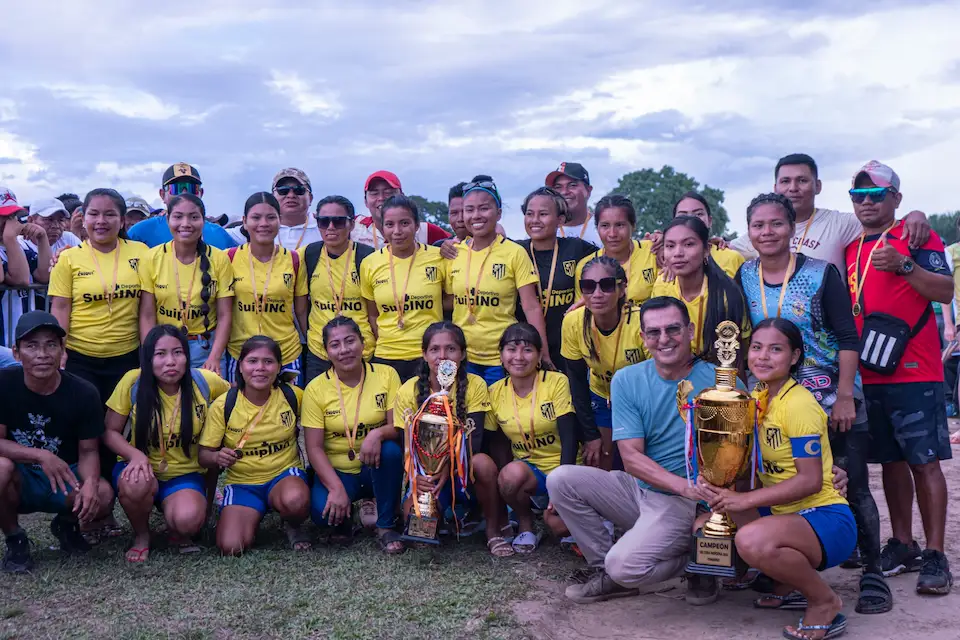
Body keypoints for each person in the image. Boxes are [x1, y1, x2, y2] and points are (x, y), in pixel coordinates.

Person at [737, 192, 891, 614]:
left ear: (792, 229)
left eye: (776, 224)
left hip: (827, 396)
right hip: (773, 396)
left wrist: (845, 395)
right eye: (758, 225)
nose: (767, 232)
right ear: (748, 231)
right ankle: (790, 575)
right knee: (781, 482)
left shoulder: (821, 273)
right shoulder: (745, 274)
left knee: (851, 484)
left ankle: (873, 573)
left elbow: (846, 336)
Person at [551, 296, 742, 604]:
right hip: (642, 489)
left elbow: (740, 457)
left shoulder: (722, 383)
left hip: (682, 503)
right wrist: (683, 485)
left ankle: (701, 563)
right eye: (653, 332)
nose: (664, 339)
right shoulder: (627, 379)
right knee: (560, 479)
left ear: (691, 330)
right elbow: (632, 458)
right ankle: (610, 575)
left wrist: (700, 499)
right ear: (642, 338)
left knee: (624, 565)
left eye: (673, 329)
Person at [696, 318, 855, 640]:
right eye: (756, 347)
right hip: (784, 513)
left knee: (750, 540)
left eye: (776, 349)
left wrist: (744, 500)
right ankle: (786, 582)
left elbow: (810, 481)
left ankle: (824, 601)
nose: (763, 357)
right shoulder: (758, 396)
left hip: (825, 516)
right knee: (703, 527)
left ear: (795, 356)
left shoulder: (799, 405)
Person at [845, 161, 954, 595]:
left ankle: (936, 554)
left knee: (923, 461)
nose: (867, 202)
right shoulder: (852, 249)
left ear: (897, 199)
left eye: (876, 195)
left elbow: (945, 291)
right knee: (889, 462)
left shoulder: (917, 235)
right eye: (859, 196)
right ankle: (903, 543)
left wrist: (906, 266)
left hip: (914, 370)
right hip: (869, 374)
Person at [103, 325, 230, 562]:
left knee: (188, 521)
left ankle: (177, 527)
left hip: (185, 473)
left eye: (177, 353)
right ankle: (142, 535)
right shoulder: (133, 382)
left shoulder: (203, 381)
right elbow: (110, 432)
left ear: (187, 356)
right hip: (141, 469)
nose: (170, 362)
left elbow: (237, 399)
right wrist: (135, 455)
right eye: (160, 354)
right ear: (148, 358)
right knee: (136, 483)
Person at [0, 312, 113, 573]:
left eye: (51, 344)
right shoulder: (4, 384)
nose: (42, 354)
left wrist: (91, 485)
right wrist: (40, 455)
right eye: (32, 346)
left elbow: (88, 451)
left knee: (104, 494)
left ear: (63, 351)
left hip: (65, 475)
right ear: (16, 353)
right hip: (21, 475)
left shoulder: (83, 392)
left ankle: (66, 524)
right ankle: (15, 538)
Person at [393, 322, 511, 556]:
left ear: (463, 353)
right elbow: (405, 444)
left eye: (451, 349)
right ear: (424, 354)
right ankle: (436, 519)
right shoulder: (409, 390)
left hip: (464, 470)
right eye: (435, 349)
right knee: (418, 528)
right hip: (427, 472)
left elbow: (474, 439)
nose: (442, 356)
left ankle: (493, 530)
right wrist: (420, 476)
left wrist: (447, 467)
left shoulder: (475, 385)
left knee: (483, 464)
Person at [198, 335, 310, 554]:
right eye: (252, 361)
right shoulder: (224, 405)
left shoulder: (293, 396)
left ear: (279, 368)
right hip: (243, 483)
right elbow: (204, 455)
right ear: (240, 366)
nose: (260, 368)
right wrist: (217, 457)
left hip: (284, 475)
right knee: (231, 547)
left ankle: (291, 523)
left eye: (268, 362)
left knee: (295, 500)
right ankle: (250, 515)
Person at [302, 316, 404, 553]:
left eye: (350, 341)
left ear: (363, 343)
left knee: (390, 450)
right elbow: (314, 448)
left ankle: (386, 524)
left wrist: (376, 434)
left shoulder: (386, 375)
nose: (344, 350)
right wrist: (336, 488)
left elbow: (397, 427)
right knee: (323, 516)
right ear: (326, 351)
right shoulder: (315, 388)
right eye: (335, 345)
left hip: (374, 465)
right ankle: (346, 511)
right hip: (339, 471)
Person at [731, 153, 929, 272]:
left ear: (817, 186)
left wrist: (915, 215)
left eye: (802, 180)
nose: (793, 188)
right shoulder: (758, 234)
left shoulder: (840, 224)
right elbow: (721, 251)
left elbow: (883, 221)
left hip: (827, 337)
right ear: (776, 188)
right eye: (785, 181)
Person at [48, 189, 148, 401]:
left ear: (122, 221)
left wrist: (148, 354)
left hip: (126, 356)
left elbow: (147, 311)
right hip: (79, 357)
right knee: (86, 423)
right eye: (94, 214)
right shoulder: (67, 258)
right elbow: (60, 307)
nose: (101, 221)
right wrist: (60, 349)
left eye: (109, 214)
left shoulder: (141, 253)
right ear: (83, 219)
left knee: (120, 423)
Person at [446, 178, 547, 384]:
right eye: (469, 209)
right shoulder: (454, 253)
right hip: (464, 357)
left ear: (498, 213)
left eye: (484, 208)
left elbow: (531, 306)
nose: (476, 216)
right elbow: (449, 301)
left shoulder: (514, 253)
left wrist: (542, 352)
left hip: (502, 357)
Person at [487, 323, 577, 553]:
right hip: (530, 473)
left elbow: (570, 437)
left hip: (565, 470)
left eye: (527, 350)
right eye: (511, 349)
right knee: (509, 476)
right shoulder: (495, 391)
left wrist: (563, 485)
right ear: (501, 355)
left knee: (559, 528)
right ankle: (525, 524)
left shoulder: (556, 382)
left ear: (539, 356)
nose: (518, 357)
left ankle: (573, 516)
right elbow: (496, 444)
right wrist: (501, 489)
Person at [561, 256, 647, 471]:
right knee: (600, 458)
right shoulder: (573, 322)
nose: (597, 294)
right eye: (588, 287)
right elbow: (577, 382)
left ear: (622, 288)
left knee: (637, 459)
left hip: (640, 400)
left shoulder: (640, 321)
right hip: (602, 395)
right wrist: (591, 436)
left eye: (607, 286)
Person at [139, 194, 234, 372]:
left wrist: (214, 356)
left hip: (206, 348)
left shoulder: (220, 259)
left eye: (194, 217)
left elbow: (224, 315)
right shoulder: (151, 258)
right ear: (167, 219)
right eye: (178, 216)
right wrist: (150, 354)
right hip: (164, 348)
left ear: (203, 221)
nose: (185, 224)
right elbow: (147, 315)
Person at [360, 195, 448, 383]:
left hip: (429, 356)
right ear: (382, 228)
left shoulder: (438, 258)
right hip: (387, 356)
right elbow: (373, 314)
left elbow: (450, 301)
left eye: (404, 223)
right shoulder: (370, 264)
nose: (397, 231)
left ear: (417, 225)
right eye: (390, 224)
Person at [225, 192, 308, 385]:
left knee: (288, 412)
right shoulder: (228, 258)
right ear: (244, 222)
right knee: (241, 413)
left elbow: (302, 311)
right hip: (241, 355)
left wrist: (314, 346)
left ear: (280, 220)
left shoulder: (294, 259)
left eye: (271, 217)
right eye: (256, 217)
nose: (264, 223)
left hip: (286, 354)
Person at [516, 187, 597, 368]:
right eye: (530, 214)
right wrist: (447, 245)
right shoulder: (515, 250)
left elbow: (614, 261)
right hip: (525, 352)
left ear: (560, 219)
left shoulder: (576, 248)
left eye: (543, 214)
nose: (535, 220)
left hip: (569, 348)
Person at [652, 216, 749, 362]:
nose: (678, 253)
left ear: (706, 250)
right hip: (671, 371)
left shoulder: (726, 294)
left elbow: (734, 360)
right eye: (670, 246)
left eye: (688, 244)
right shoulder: (662, 285)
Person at [301, 196, 375, 382]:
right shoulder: (307, 255)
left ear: (351, 224)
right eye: (324, 222)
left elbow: (376, 311)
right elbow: (300, 306)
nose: (331, 227)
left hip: (361, 352)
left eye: (339, 221)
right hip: (320, 353)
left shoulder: (368, 257)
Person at [126, 163, 237, 250]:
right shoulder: (140, 231)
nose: (184, 193)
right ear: (162, 194)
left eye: (192, 188)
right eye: (176, 188)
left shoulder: (219, 234)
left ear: (201, 193)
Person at [574, 195, 658, 307]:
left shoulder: (653, 251)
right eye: (605, 226)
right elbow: (582, 311)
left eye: (619, 225)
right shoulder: (585, 266)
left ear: (633, 226)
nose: (612, 234)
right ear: (597, 228)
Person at [0, 188, 48, 346]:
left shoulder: (21, 245)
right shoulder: (12, 241)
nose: (10, 222)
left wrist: (42, 240)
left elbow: (44, 276)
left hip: (25, 337)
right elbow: (20, 280)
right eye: (3, 216)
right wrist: (10, 239)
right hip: (3, 339)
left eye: (12, 216)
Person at [352, 171, 449, 248]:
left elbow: (457, 242)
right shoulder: (353, 228)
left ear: (402, 196)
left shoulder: (425, 231)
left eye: (388, 192)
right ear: (365, 201)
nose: (381, 198)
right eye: (374, 193)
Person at [672, 191, 743, 277]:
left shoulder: (732, 258)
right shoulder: (661, 259)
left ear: (709, 221)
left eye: (698, 214)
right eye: (682, 216)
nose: (690, 220)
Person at [545, 162, 602, 246]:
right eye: (558, 187)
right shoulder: (543, 229)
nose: (564, 192)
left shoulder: (604, 228)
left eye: (572, 185)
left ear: (588, 191)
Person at [272, 168, 323, 251]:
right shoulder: (257, 229)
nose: (291, 195)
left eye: (298, 190)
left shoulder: (325, 227)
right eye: (283, 190)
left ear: (310, 198)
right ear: (272, 197)